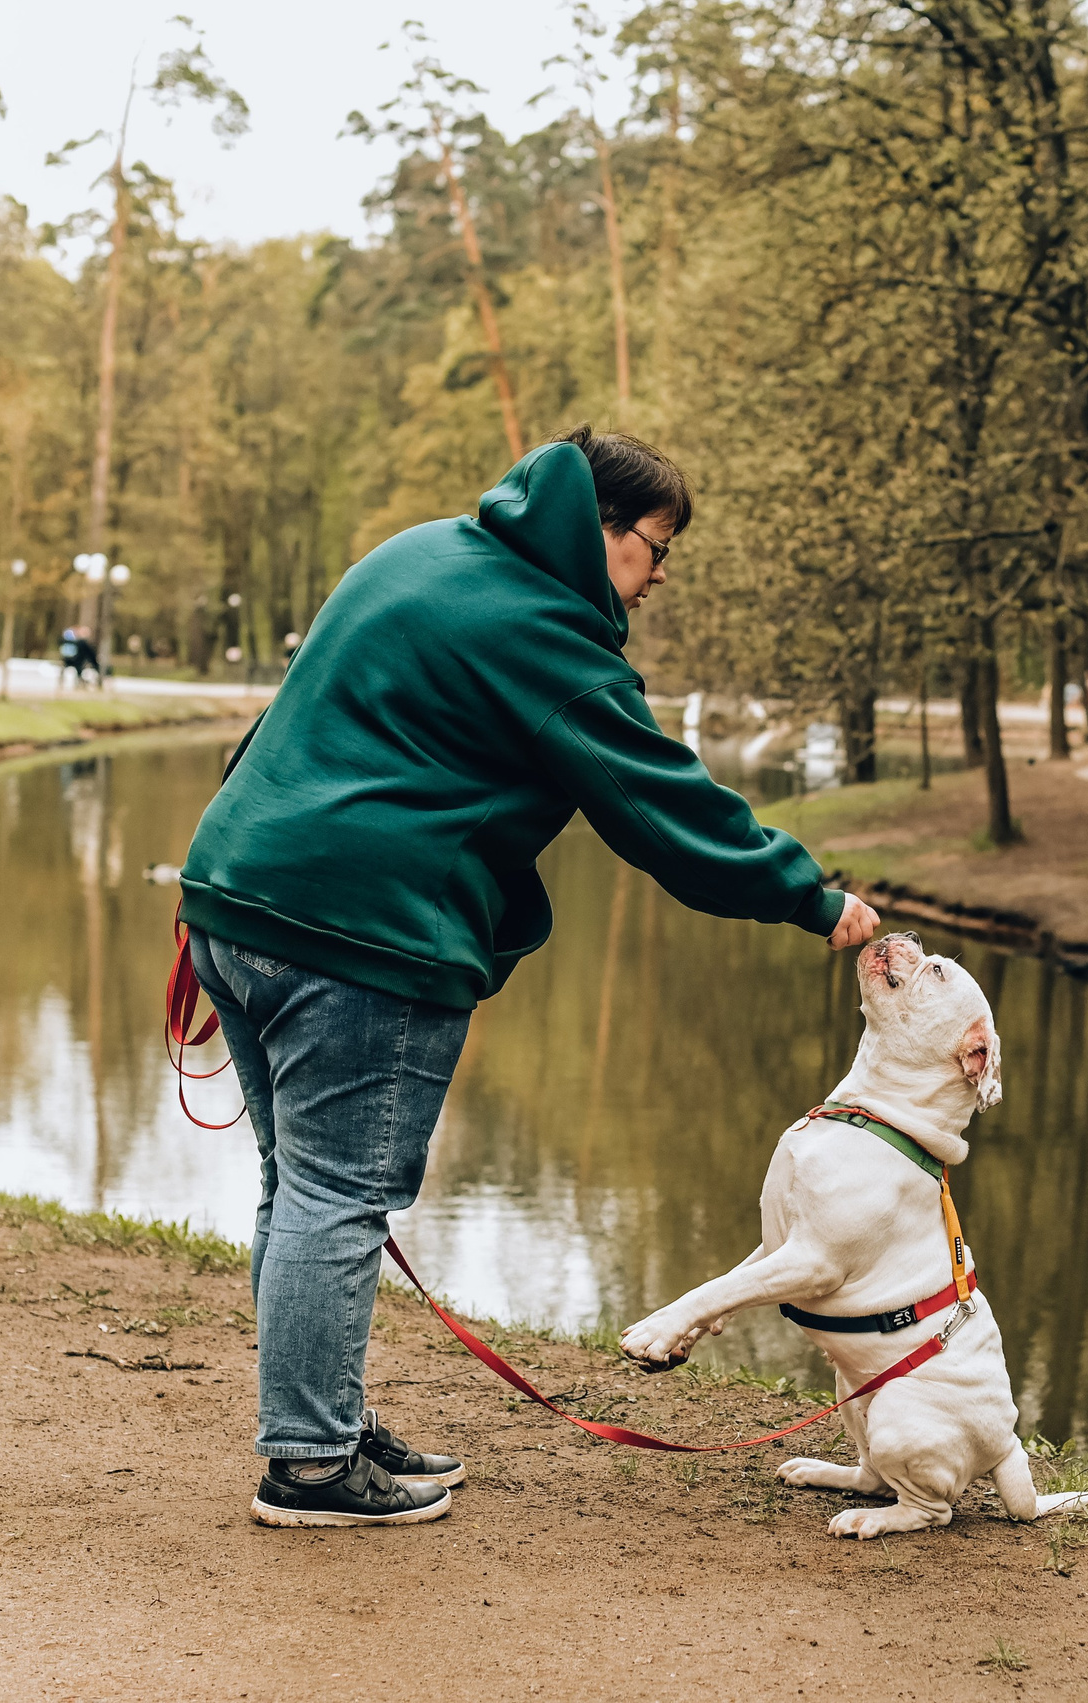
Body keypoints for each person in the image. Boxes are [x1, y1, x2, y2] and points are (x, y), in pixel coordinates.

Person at [177, 427, 883, 1530]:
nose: (655, 579)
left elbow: (289, 710)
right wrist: (810, 895)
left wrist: (234, 874)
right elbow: (663, 807)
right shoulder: (543, 629)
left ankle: (316, 1421)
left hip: (237, 896)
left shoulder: (419, 554)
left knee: (300, 1185)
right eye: (655, 549)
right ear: (601, 529)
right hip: (364, 933)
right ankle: (311, 1463)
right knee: (338, 1193)